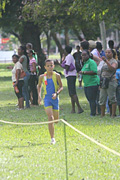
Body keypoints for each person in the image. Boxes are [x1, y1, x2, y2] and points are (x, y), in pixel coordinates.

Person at [37, 59, 63, 144]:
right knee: (50, 117)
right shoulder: (42, 77)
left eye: (51, 65)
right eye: (48, 66)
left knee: (56, 120)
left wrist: (56, 93)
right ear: (45, 67)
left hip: (55, 99)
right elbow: (39, 86)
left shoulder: (57, 75)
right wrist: (39, 96)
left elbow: (61, 87)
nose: (50, 67)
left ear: (54, 66)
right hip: (47, 98)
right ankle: (52, 138)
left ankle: (54, 124)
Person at [63, 46, 84, 114]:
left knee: (72, 92)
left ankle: (79, 107)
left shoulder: (69, 56)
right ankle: (73, 109)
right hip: (69, 76)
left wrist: (59, 64)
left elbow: (67, 67)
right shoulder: (68, 56)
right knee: (71, 93)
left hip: (71, 76)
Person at [79, 50, 99, 116]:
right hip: (86, 84)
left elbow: (94, 71)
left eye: (85, 55)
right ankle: (95, 111)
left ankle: (93, 113)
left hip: (92, 83)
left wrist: (84, 72)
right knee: (89, 99)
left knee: (92, 99)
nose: (83, 56)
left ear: (88, 55)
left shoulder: (91, 62)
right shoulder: (84, 63)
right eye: (82, 55)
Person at [99, 49, 118, 117]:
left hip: (111, 81)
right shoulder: (103, 62)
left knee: (112, 98)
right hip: (103, 81)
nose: (107, 54)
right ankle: (102, 115)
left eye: (109, 52)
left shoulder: (114, 61)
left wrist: (106, 61)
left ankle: (113, 114)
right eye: (106, 52)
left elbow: (112, 68)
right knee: (102, 98)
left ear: (112, 53)